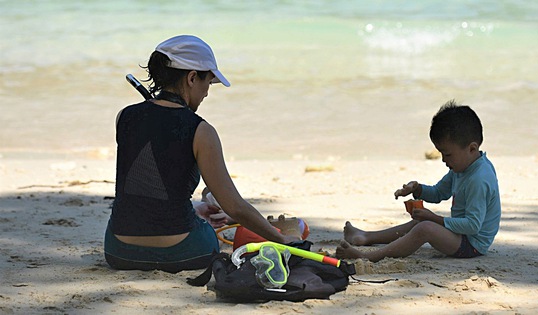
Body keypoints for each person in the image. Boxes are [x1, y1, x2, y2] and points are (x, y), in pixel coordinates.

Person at [104, 35, 299, 273]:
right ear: (192, 77)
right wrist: (281, 240)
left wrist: (194, 210)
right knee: (207, 231)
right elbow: (235, 208)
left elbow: (145, 186)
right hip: (179, 253)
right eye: (208, 82)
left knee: (197, 219)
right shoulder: (201, 130)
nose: (207, 92)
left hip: (118, 251)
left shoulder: (124, 117)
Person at [336, 100, 501, 262]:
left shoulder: (479, 179)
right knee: (420, 220)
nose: (443, 160)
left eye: (448, 154)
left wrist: (434, 218)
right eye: (441, 154)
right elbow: (439, 192)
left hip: (472, 244)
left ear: (472, 148)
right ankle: (365, 237)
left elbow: (473, 226)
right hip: (462, 235)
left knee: (425, 228)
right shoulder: (462, 167)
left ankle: (368, 256)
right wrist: (417, 189)